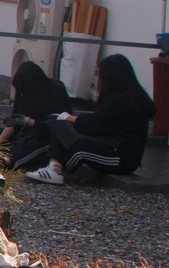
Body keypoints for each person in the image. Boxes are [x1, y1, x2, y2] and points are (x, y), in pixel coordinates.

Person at [26, 54, 156, 185]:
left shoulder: (124, 100)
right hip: (110, 145)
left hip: (123, 158)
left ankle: (57, 169)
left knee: (78, 148)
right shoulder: (124, 96)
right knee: (59, 124)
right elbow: (97, 123)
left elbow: (95, 122)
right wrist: (66, 120)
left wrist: (70, 118)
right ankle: (54, 168)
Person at [0, 61, 70, 169]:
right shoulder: (27, 93)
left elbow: (57, 126)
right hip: (29, 133)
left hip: (48, 137)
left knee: (33, 146)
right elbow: (14, 121)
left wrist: (29, 122)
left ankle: (6, 160)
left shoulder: (55, 92)